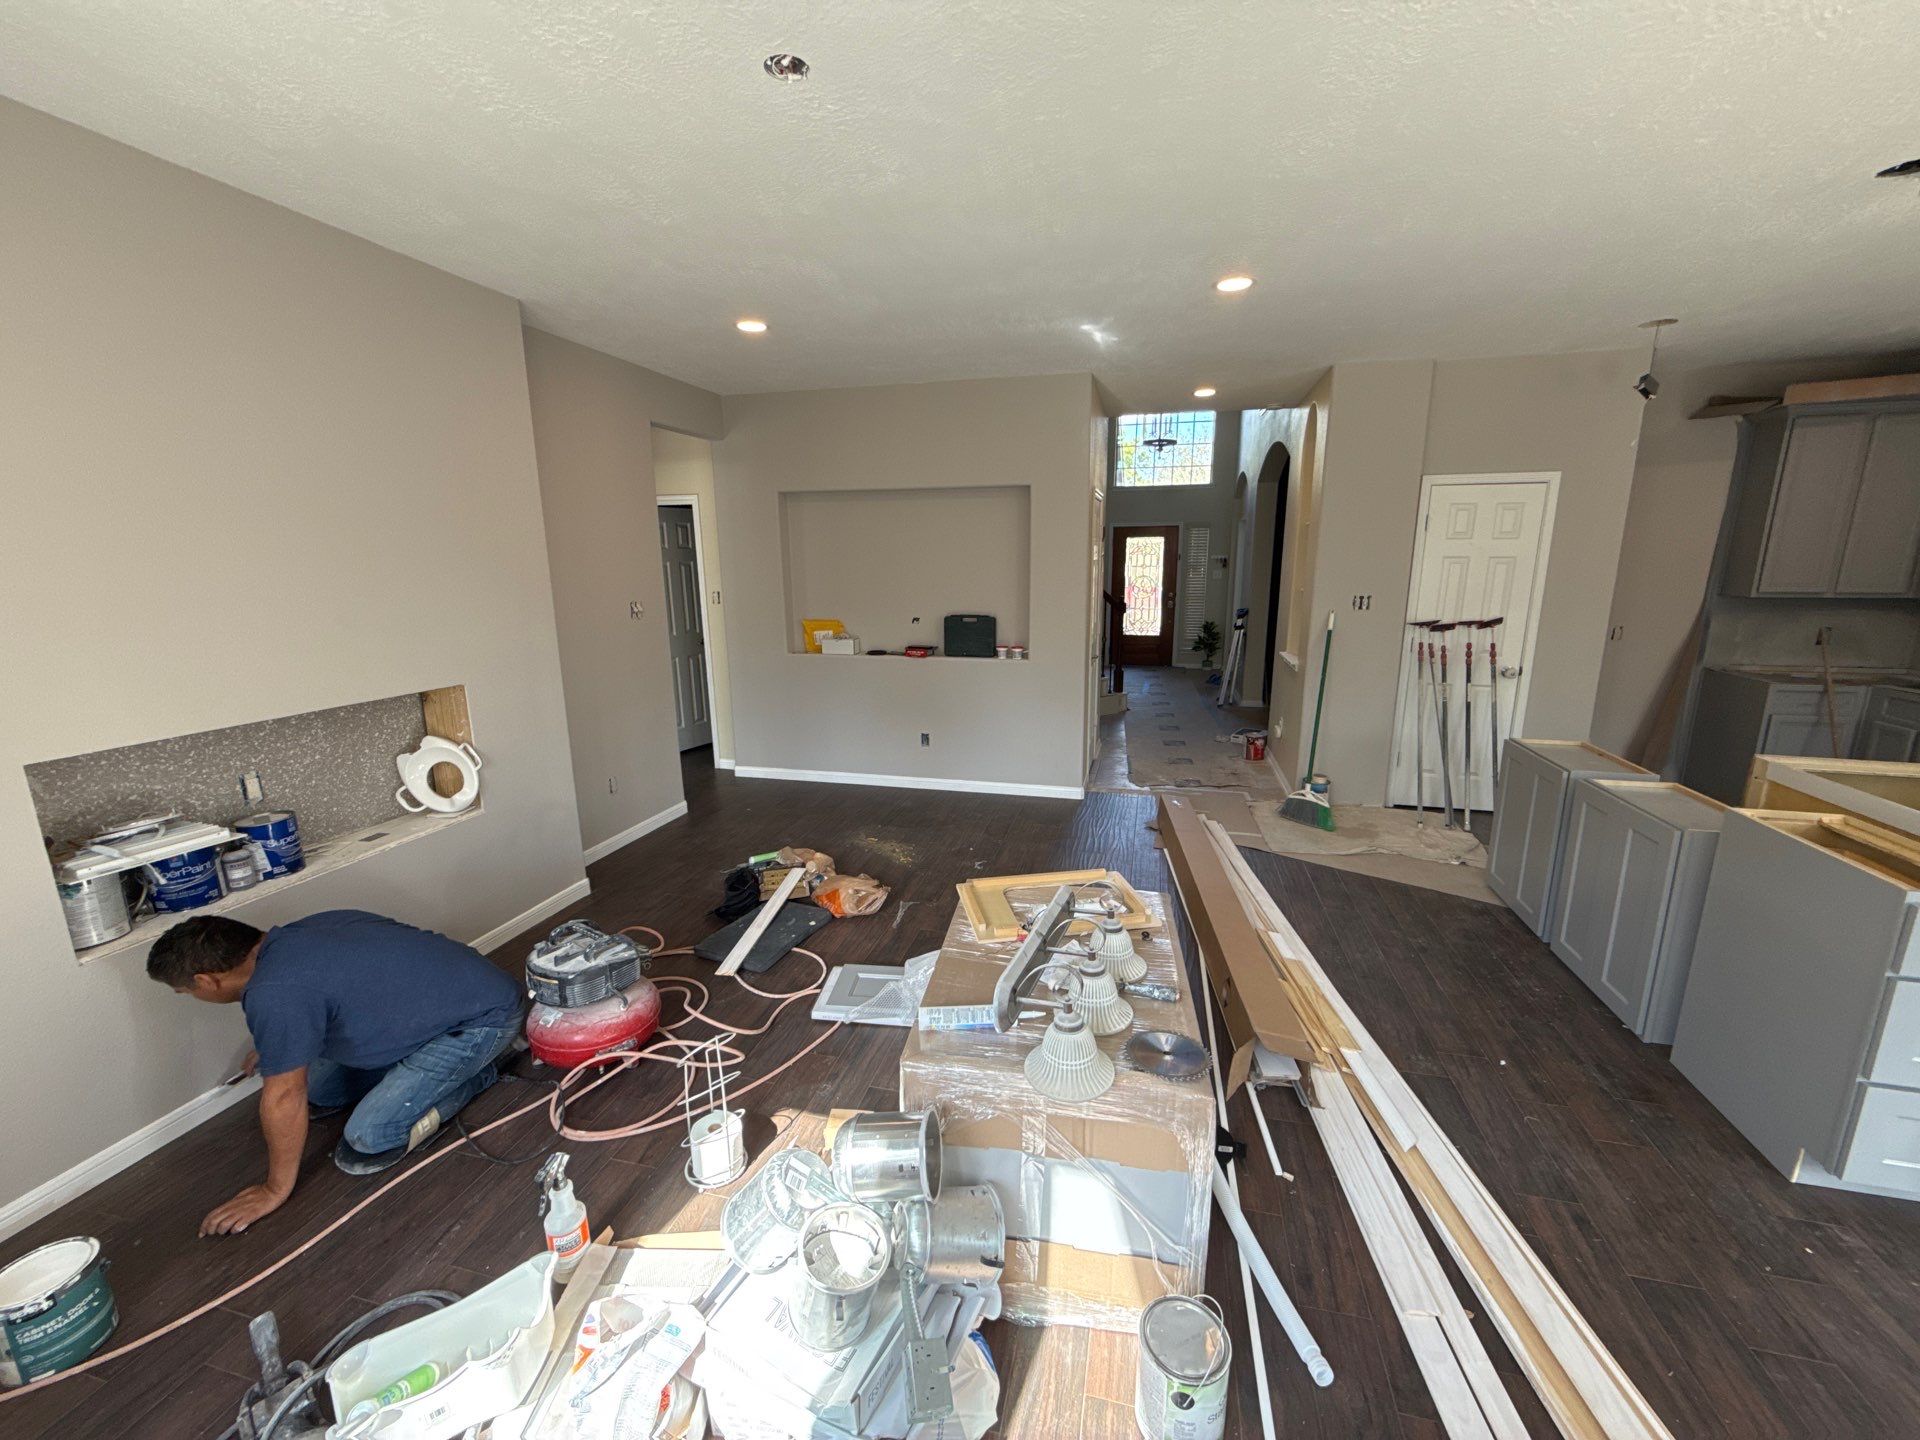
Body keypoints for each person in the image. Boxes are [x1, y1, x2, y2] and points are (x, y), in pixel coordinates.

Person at [147, 910, 524, 1237]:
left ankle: (486, 1067)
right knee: (321, 1090)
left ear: (206, 981)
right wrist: (278, 1041)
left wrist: (274, 1189)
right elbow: (343, 985)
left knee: (370, 1137)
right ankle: (428, 1070)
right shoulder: (306, 932)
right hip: (465, 991)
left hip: (481, 1020)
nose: (192, 996)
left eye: (186, 992)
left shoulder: (275, 993)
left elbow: (283, 1095)